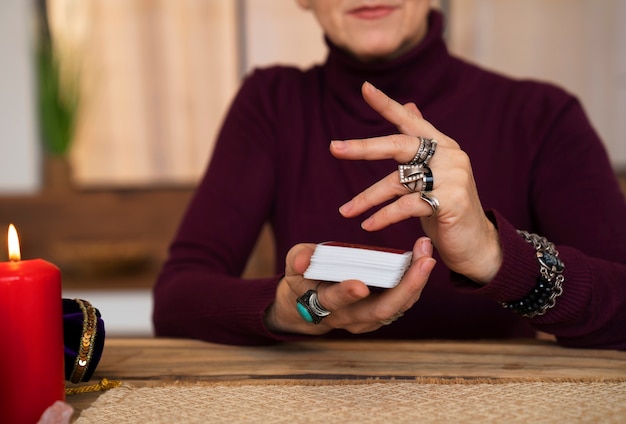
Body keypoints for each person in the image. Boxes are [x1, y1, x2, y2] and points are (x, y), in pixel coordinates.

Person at [152, 0, 626, 350]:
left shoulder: (543, 116)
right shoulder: (271, 103)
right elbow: (175, 299)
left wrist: (491, 252)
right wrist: (290, 310)